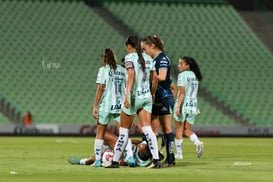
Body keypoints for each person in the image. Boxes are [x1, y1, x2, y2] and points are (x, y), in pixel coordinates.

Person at [108, 35, 160, 169]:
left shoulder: (130, 58)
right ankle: (156, 160)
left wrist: (126, 95)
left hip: (133, 98)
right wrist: (152, 92)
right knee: (147, 129)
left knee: (124, 131)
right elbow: (155, 78)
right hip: (146, 97)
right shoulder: (149, 58)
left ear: (128, 46)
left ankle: (115, 161)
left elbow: (131, 75)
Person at [92, 48, 134, 167]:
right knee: (124, 133)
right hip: (120, 105)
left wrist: (95, 106)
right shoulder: (122, 70)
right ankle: (130, 156)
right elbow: (128, 88)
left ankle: (99, 160)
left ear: (104, 59)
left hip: (106, 105)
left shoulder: (103, 70)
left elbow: (100, 88)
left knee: (100, 133)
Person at [142, 34, 175, 167]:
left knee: (167, 128)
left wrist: (151, 75)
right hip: (155, 96)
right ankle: (153, 156)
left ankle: (171, 158)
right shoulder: (154, 59)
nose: (144, 52)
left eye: (145, 49)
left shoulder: (162, 59)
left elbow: (161, 76)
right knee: (152, 128)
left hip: (163, 96)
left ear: (152, 46)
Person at [67, 131, 164, 167]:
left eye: (141, 147)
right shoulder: (144, 146)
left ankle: (82, 161)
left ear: (146, 153)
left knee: (104, 157)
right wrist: (126, 141)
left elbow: (123, 163)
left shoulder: (143, 162)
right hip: (123, 148)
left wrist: (117, 162)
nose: (141, 145)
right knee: (103, 134)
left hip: (120, 156)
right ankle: (105, 151)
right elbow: (136, 142)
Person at [173, 56, 204, 159]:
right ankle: (198, 143)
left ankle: (179, 154)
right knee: (187, 130)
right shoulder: (195, 76)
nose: (179, 66)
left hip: (183, 104)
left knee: (179, 129)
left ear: (187, 66)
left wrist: (178, 107)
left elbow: (181, 93)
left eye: (181, 64)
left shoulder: (182, 75)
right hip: (193, 105)